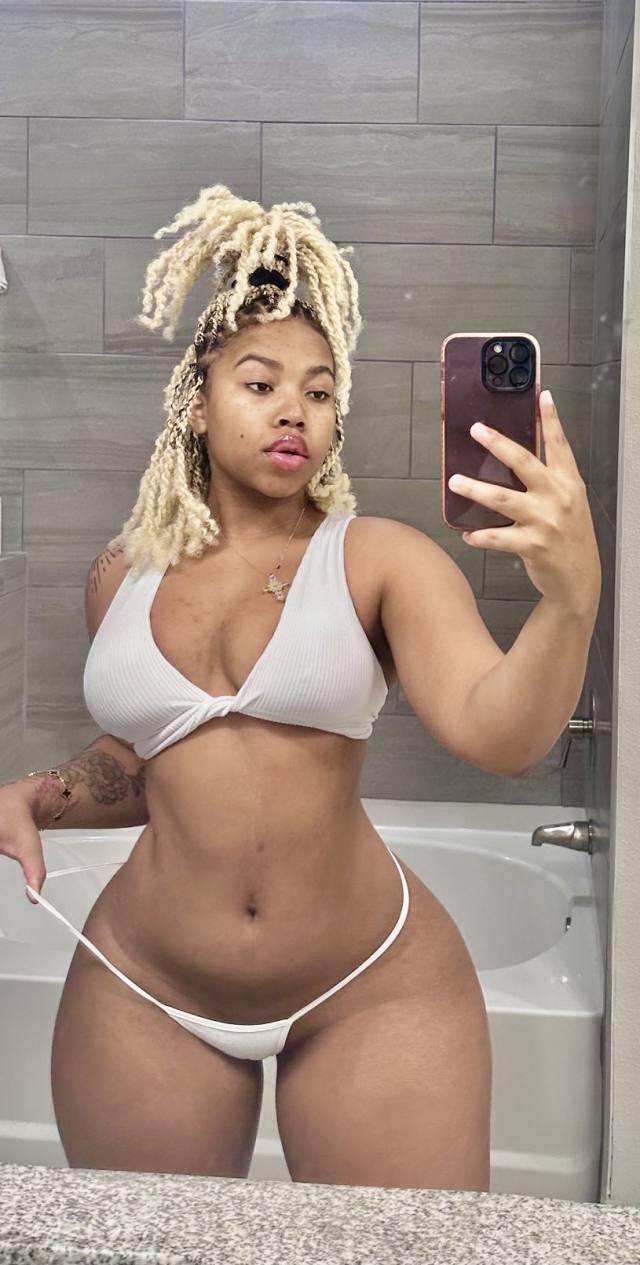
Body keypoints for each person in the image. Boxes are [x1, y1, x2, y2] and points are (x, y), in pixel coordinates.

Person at [2, 185, 493, 1190]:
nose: (293, 410)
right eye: (260, 382)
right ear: (197, 402)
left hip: (364, 979)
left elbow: (503, 729)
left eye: (319, 392)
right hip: (144, 981)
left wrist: (571, 597)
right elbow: (150, 762)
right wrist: (46, 793)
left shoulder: (378, 557)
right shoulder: (123, 573)